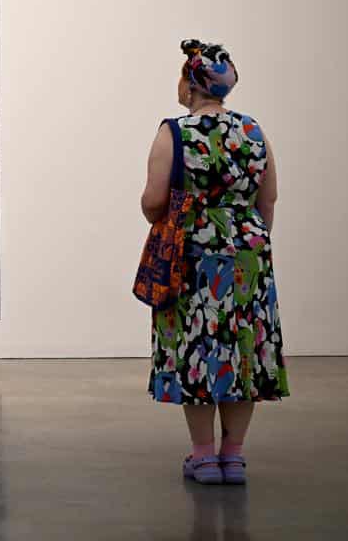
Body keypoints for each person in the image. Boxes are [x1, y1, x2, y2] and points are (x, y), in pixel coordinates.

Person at [140, 39, 290, 485]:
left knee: (197, 350)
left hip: (193, 256)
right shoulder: (254, 131)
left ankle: (204, 457)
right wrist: (248, 239)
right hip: (248, 255)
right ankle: (234, 456)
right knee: (243, 349)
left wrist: (182, 221)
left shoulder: (175, 132)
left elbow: (154, 201)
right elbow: (269, 198)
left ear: (190, 84)